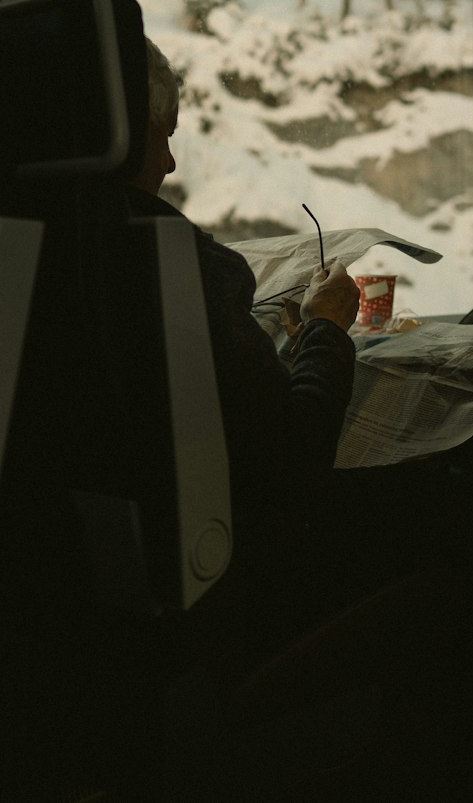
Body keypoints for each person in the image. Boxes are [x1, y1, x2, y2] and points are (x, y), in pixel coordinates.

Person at [124, 38, 361, 544]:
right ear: (126, 130)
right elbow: (294, 465)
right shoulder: (189, 272)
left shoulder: (5, 244)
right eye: (163, 137)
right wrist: (325, 329)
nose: (169, 164)